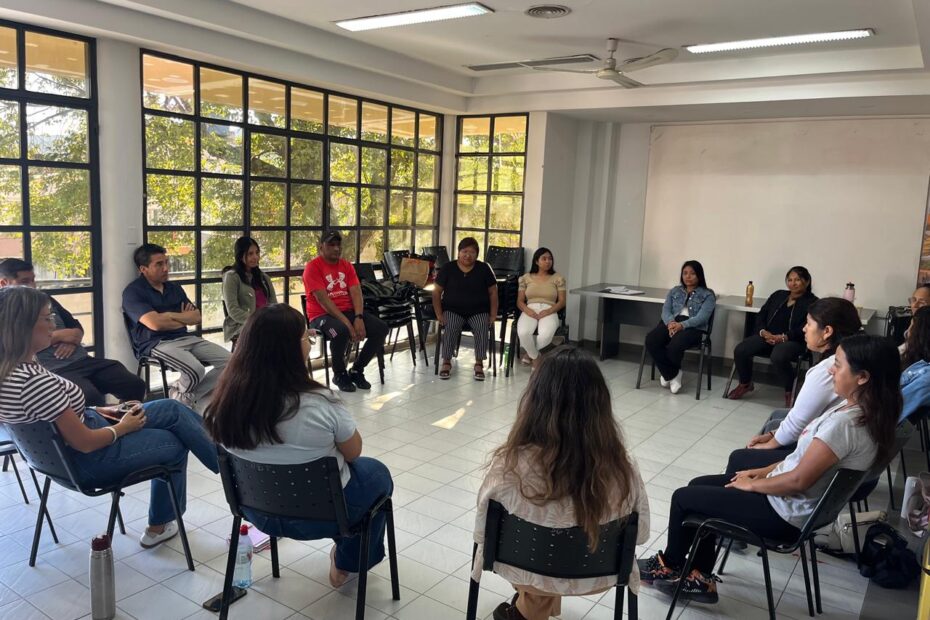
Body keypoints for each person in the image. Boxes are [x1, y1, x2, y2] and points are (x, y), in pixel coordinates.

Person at [639, 334, 900, 605]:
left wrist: (752, 484)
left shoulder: (845, 427)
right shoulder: (863, 412)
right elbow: (800, 459)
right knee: (698, 486)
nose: (831, 370)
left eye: (838, 364)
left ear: (863, 377)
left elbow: (798, 480)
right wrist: (762, 472)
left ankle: (670, 566)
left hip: (784, 513)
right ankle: (698, 576)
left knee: (683, 498)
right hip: (792, 504)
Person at [0, 286, 219, 548]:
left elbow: (55, 418)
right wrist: (123, 428)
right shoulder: (35, 383)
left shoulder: (14, 368)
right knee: (175, 442)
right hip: (89, 459)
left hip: (62, 455)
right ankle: (168, 520)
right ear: (21, 325)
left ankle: (231, 467)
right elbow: (85, 443)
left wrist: (101, 411)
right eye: (46, 318)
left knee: (172, 409)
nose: (53, 325)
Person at [203, 303, 393, 588]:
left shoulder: (223, 402)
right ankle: (348, 561)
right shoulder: (321, 402)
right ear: (290, 349)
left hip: (256, 511)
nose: (310, 341)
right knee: (376, 473)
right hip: (325, 516)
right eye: (307, 336)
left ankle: (346, 554)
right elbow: (354, 452)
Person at [474, 346, 649, 620]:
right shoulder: (622, 469)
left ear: (535, 401)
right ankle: (528, 609)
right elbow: (641, 535)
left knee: (540, 559)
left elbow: (482, 533)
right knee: (552, 554)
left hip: (523, 569)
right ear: (600, 405)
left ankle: (526, 610)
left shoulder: (509, 465)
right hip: (598, 575)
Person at [0, 258, 145, 406]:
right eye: (25, 281)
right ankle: (101, 420)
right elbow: (15, 343)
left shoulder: (44, 299)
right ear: (4, 283)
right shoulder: (5, 311)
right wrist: (61, 336)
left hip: (82, 360)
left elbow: (76, 327)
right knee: (89, 397)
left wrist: (73, 340)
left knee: (134, 384)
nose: (32, 286)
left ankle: (126, 416)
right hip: (54, 368)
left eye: (33, 280)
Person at [738, 297, 863, 462]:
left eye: (809, 324)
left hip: (818, 446)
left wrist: (770, 444)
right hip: (830, 437)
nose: (804, 329)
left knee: (740, 457)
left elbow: (798, 423)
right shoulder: (854, 358)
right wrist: (773, 435)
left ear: (827, 331)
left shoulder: (828, 370)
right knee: (776, 417)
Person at [122, 243, 230, 412]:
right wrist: (182, 318)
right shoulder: (133, 292)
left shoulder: (174, 288)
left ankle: (181, 396)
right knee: (196, 370)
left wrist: (167, 316)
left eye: (166, 262)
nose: (166, 268)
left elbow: (196, 317)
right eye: (159, 264)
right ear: (143, 269)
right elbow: (155, 324)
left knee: (232, 363)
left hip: (186, 338)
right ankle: (188, 402)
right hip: (156, 344)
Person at [302, 231, 388, 393]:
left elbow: (356, 293)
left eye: (338, 244)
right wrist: (348, 324)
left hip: (347, 311)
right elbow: (324, 301)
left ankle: (357, 370)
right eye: (331, 245)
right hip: (321, 316)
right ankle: (339, 374)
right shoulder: (312, 267)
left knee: (381, 328)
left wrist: (359, 317)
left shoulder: (346, 266)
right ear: (321, 247)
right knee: (340, 331)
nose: (336, 248)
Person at [727, 267, 817, 406]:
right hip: (768, 337)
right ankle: (745, 383)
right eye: (790, 280)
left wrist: (784, 337)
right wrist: (763, 332)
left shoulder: (813, 302)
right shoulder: (778, 295)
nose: (793, 283)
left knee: (778, 355)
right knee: (741, 349)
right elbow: (761, 314)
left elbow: (806, 327)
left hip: (794, 341)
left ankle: (791, 389)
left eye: (797, 280)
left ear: (807, 281)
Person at [644, 260, 715, 394]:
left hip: (693, 327)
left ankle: (668, 374)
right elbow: (665, 310)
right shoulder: (674, 291)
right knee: (651, 340)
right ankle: (673, 374)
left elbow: (702, 318)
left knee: (675, 345)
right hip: (671, 322)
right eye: (685, 273)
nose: (688, 276)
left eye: (692, 273)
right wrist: (671, 323)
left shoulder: (708, 295)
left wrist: (682, 325)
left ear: (699, 275)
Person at [432, 237, 499, 381]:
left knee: (481, 326)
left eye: (472, 252)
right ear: (458, 252)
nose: (468, 255)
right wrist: (439, 314)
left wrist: (493, 314)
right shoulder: (448, 268)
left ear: (477, 254)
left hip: (479, 311)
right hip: (453, 310)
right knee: (451, 326)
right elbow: (436, 292)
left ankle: (479, 363)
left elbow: (493, 292)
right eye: (464, 251)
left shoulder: (484, 268)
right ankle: (446, 362)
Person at [221, 236, 277, 346]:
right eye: (250, 254)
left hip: (266, 323)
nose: (255, 257)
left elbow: (274, 304)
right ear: (240, 255)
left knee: (288, 328)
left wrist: (273, 319)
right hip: (242, 325)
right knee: (270, 334)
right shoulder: (231, 277)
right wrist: (257, 320)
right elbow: (233, 310)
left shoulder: (264, 277)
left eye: (257, 253)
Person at [516, 248, 566, 368]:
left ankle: (530, 354)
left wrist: (548, 311)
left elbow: (562, 301)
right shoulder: (525, 278)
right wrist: (527, 310)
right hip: (530, 309)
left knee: (545, 335)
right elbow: (519, 301)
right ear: (536, 261)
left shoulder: (558, 278)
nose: (548, 261)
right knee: (523, 332)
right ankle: (536, 357)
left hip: (550, 309)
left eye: (550, 259)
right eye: (544, 259)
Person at [900, 305, 930, 422]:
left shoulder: (926, 378)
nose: (906, 333)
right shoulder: (918, 363)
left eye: (912, 327)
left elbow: (891, 412)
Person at [899, 284, 930, 355]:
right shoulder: (915, 320)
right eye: (913, 300)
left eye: (922, 302)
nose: (914, 305)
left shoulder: (926, 327)